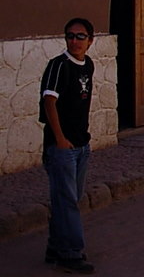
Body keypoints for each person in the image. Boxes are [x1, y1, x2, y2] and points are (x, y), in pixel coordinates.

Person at [39, 18, 96, 274]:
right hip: (62, 148)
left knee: (68, 199)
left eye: (80, 36)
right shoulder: (58, 66)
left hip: (81, 145)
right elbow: (49, 102)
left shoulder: (88, 65)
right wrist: (60, 140)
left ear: (90, 41)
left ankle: (56, 247)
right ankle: (71, 253)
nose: (74, 41)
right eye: (70, 36)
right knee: (68, 201)